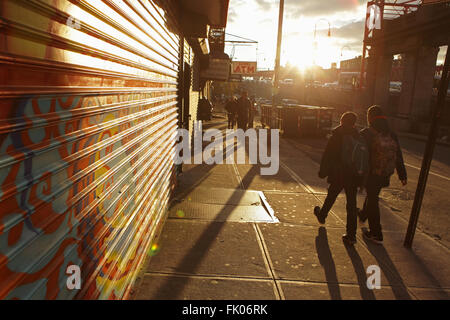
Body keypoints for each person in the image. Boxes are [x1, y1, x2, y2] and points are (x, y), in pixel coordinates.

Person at [358, 105, 407, 245]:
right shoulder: (391, 133)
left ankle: (376, 233)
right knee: (373, 194)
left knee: (373, 199)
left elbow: (361, 155)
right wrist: (402, 174)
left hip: (371, 173)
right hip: (385, 172)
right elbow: (398, 155)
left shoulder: (367, 133)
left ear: (370, 117)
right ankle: (363, 214)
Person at [314, 112, 365, 246]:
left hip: (338, 174)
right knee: (352, 205)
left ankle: (322, 215)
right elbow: (363, 158)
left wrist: (323, 171)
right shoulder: (358, 136)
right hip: (353, 176)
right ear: (354, 123)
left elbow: (328, 155)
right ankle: (351, 235)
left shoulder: (336, 136)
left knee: (331, 196)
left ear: (341, 121)